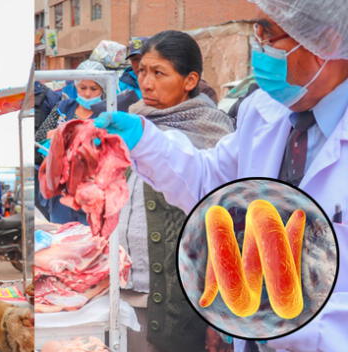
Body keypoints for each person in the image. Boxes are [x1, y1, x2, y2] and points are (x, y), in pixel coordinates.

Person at [94, 0, 348, 350]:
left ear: (327, 41)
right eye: (256, 31)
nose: (258, 45)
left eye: (269, 34)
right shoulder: (263, 113)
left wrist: (284, 315)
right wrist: (144, 140)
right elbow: (211, 185)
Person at [116, 30, 233, 352]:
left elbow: (225, 232)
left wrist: (217, 316)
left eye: (159, 73)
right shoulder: (133, 122)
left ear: (190, 79)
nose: (146, 82)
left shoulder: (214, 132)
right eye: (141, 71)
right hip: (123, 291)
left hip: (179, 304)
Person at [35, 60, 107, 224]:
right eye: (83, 88)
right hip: (60, 192)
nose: (87, 94)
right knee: (62, 237)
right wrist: (53, 135)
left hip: (91, 190)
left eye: (93, 89)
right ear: (76, 87)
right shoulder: (64, 107)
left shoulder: (107, 113)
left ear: (102, 89)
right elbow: (39, 138)